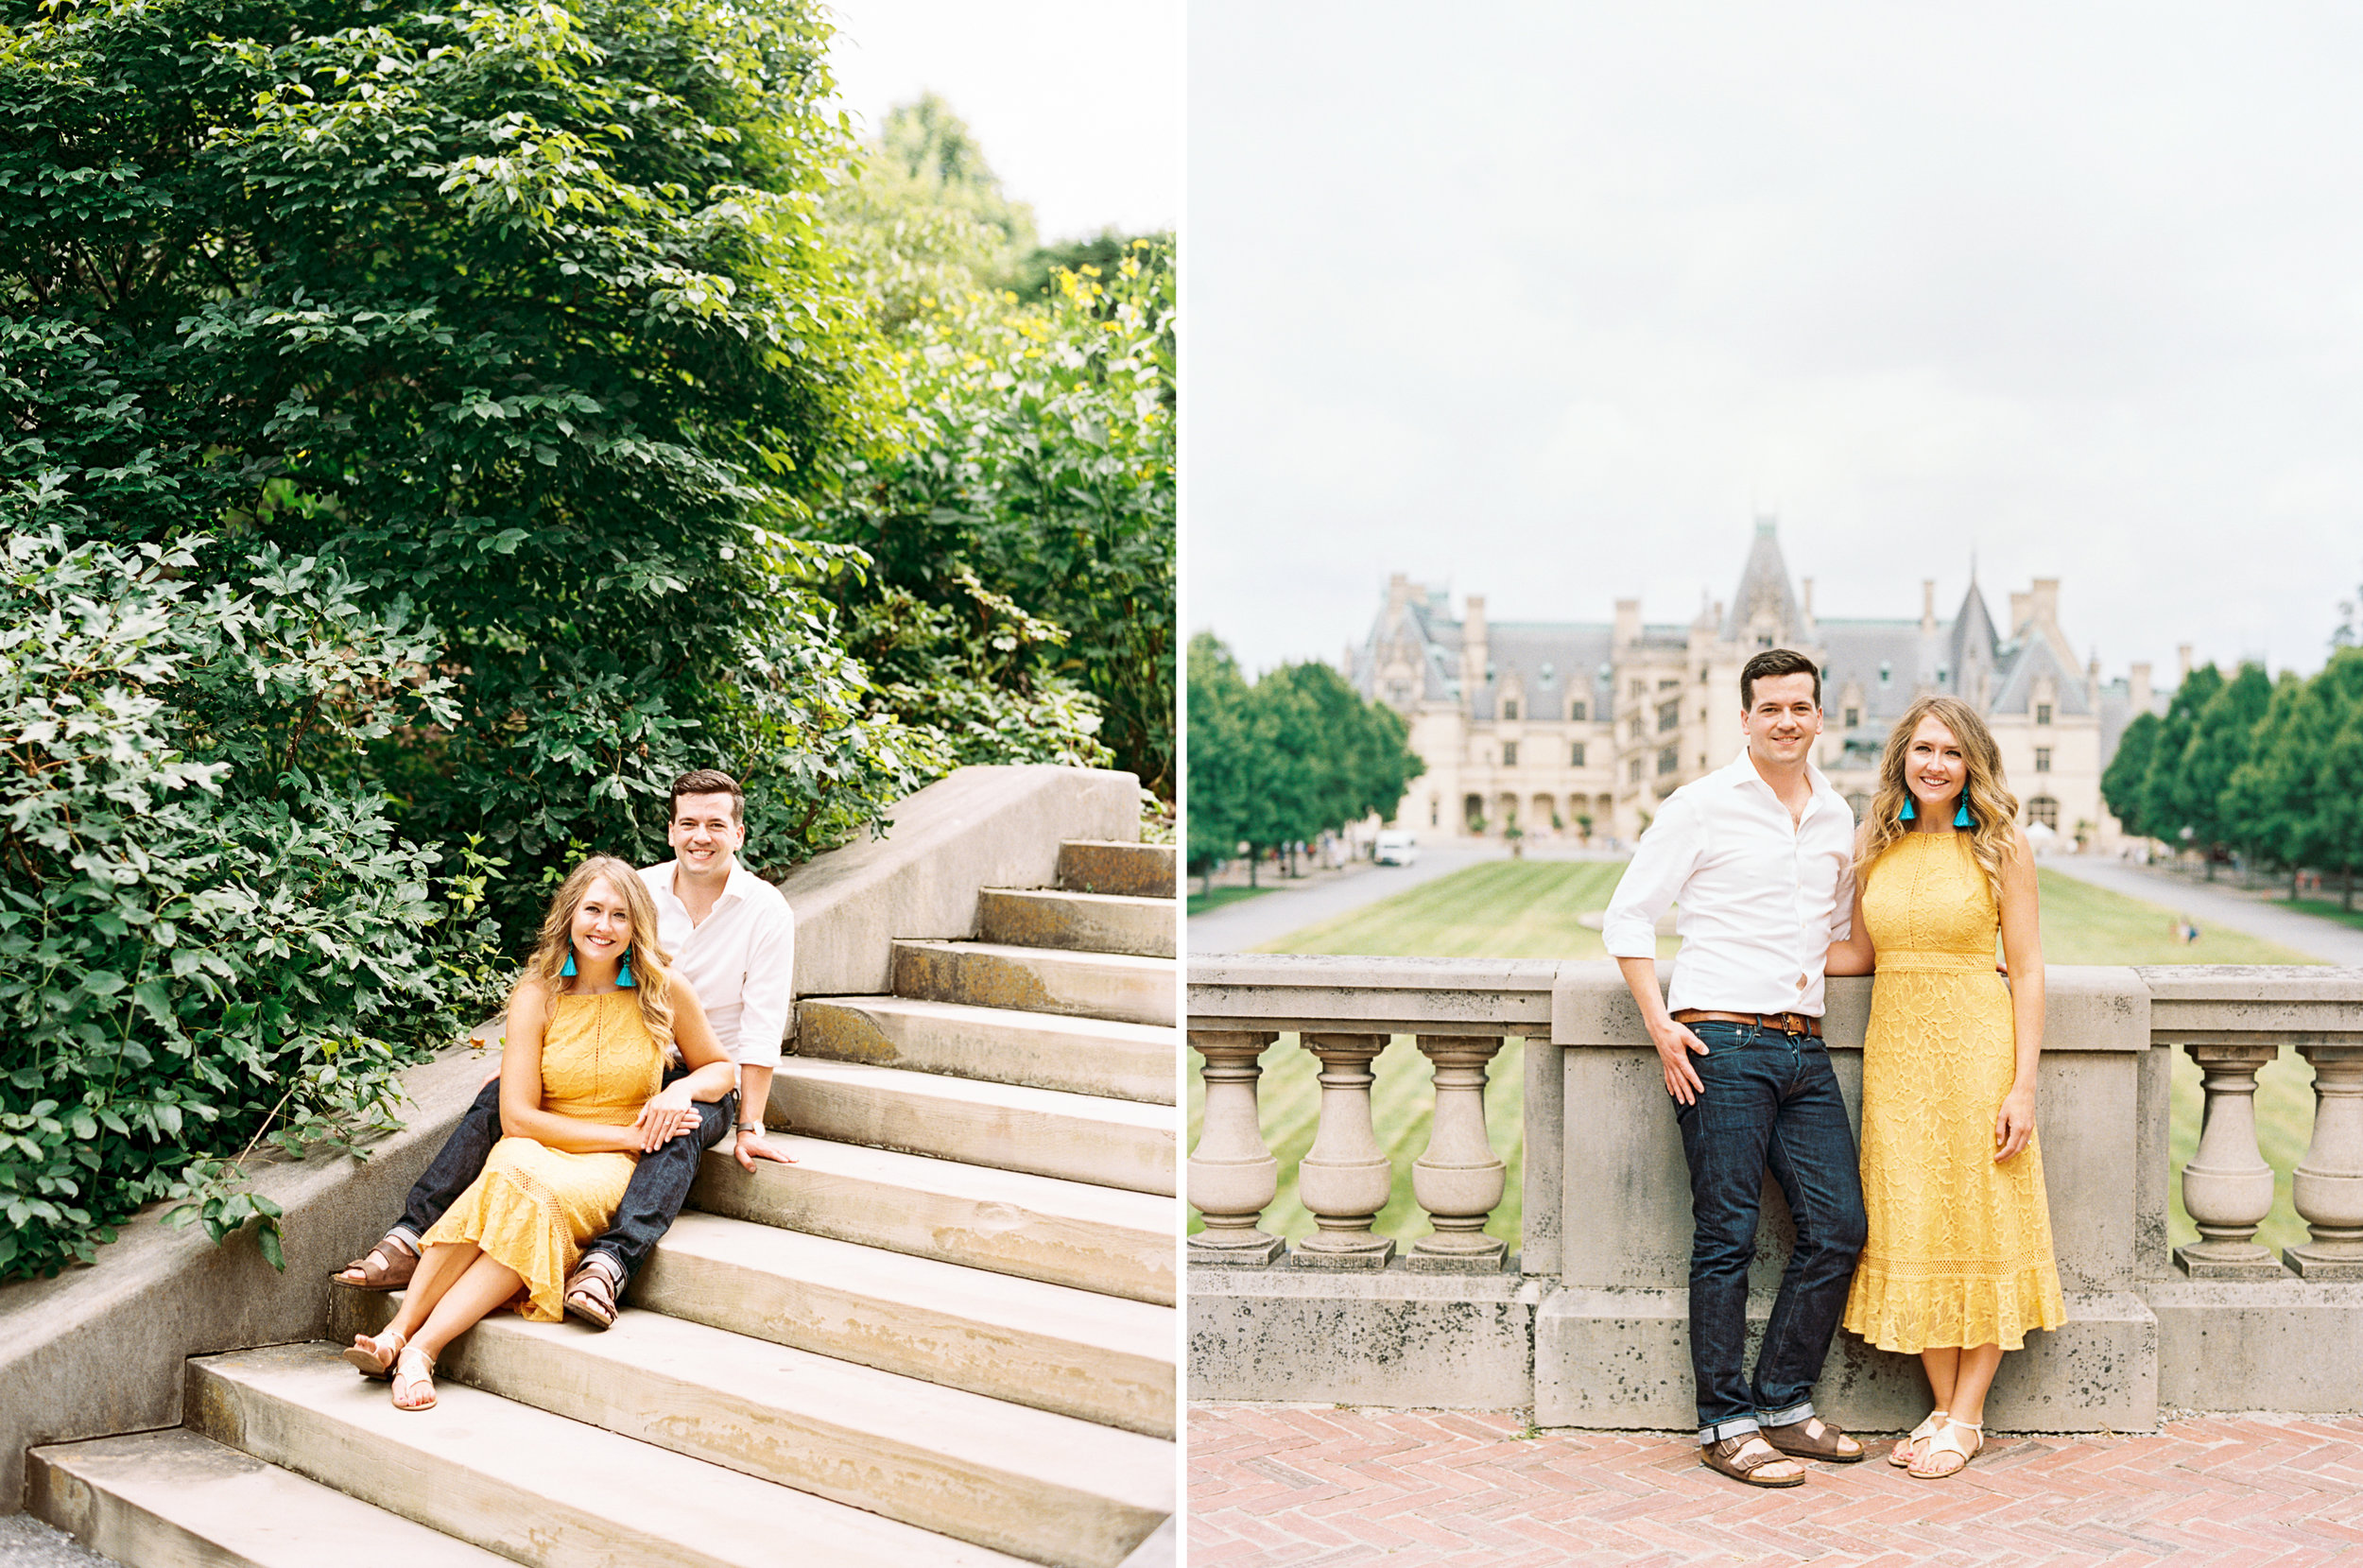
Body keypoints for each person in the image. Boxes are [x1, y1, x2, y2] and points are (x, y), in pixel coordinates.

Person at [332, 768, 797, 1326]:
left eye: (716, 824)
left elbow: (762, 1027)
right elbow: (577, 976)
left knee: (679, 1125)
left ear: (738, 834)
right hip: (617, 1052)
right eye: (689, 823)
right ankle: (411, 1234)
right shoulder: (634, 890)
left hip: (696, 1067)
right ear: (671, 831)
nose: (702, 836)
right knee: (500, 1096)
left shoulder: (766, 910)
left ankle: (610, 1262)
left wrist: (749, 1124)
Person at [1604, 648, 1869, 1490]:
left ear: (1821, 715)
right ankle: (1725, 1420)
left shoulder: (1836, 816)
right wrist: (1660, 1022)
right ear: (1745, 718)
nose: (1787, 720)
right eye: (1771, 708)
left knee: (1839, 1227)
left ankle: (1784, 1404)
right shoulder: (1701, 806)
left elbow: (1837, 942)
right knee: (1726, 1236)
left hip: (1803, 1044)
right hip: (1721, 1044)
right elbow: (1630, 916)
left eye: (1802, 706)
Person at [343, 855, 739, 1408]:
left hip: (606, 1167)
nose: (603, 926)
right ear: (570, 915)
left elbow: (723, 1070)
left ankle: (421, 1348)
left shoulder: (663, 989)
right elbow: (518, 1119)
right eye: (593, 910)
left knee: (531, 1193)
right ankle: (397, 1334)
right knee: (508, 1169)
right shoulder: (538, 994)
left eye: (620, 915)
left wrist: (679, 1090)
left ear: (637, 926)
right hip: (549, 1142)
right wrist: (625, 1137)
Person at [1826, 696, 2064, 1480]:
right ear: (1902, 757)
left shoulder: (2002, 844)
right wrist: (1757, 951)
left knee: (1984, 1224)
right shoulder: (1876, 842)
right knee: (1915, 1222)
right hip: (1897, 1062)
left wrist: (2021, 1084)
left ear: (1973, 765)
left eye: (1952, 752)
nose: (1935, 763)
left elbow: (2027, 968)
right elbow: (1858, 953)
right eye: (1923, 748)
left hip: (1978, 1056)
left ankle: (1968, 1414)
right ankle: (1941, 1402)